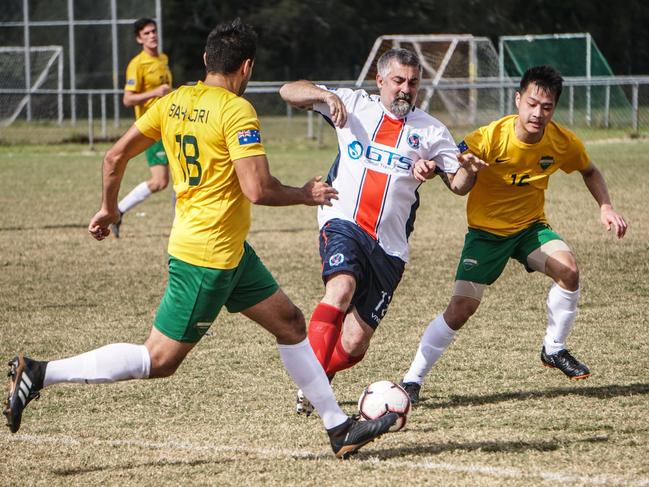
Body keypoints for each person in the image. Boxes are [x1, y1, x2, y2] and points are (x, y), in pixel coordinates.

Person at [3, 19, 399, 459]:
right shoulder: (236, 111)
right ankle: (39, 373)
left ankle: (338, 428)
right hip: (207, 258)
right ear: (246, 67)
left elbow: (115, 156)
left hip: (229, 253)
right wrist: (305, 194)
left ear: (207, 60)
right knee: (159, 359)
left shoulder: (174, 101)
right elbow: (258, 189)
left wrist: (109, 207)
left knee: (289, 322)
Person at [400, 65, 628, 404]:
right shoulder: (489, 137)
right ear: (518, 99)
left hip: (529, 229)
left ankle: (553, 348)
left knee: (569, 271)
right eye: (532, 104)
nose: (538, 113)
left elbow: (589, 170)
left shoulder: (562, 142)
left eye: (547, 107)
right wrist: (429, 168)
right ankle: (412, 380)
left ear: (554, 108)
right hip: (486, 234)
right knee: (461, 309)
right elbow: (448, 165)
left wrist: (605, 206)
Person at [279, 48, 487, 416]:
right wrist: (325, 95)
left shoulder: (431, 130)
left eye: (413, 82)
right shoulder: (353, 105)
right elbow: (288, 91)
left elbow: (459, 184)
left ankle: (319, 377)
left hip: (389, 248)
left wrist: (469, 169)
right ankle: (315, 390)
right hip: (343, 221)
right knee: (340, 289)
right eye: (398, 81)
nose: (406, 89)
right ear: (380, 81)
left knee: (356, 341)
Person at [111, 18, 173, 238]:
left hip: (169, 126)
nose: (152, 36)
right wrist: (155, 93)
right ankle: (117, 211)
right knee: (159, 181)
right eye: (146, 33)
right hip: (152, 129)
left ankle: (185, 225)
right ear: (139, 39)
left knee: (181, 176)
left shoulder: (163, 58)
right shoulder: (137, 64)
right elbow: (128, 99)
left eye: (154, 31)